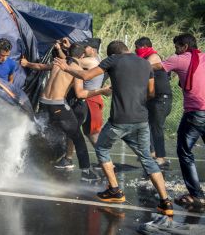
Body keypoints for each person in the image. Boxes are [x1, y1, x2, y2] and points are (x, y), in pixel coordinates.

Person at [54, 40, 173, 216]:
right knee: (147, 158)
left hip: (120, 120)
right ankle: (165, 202)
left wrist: (66, 67)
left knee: (102, 148)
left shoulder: (113, 60)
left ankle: (115, 190)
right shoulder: (145, 63)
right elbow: (151, 93)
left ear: (112, 54)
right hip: (141, 119)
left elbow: (86, 76)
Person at [22, 43, 110, 181]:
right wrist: (102, 90)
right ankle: (86, 173)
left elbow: (40, 67)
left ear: (68, 52)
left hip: (43, 103)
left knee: (42, 132)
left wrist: (26, 63)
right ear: (81, 56)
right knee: (78, 137)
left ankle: (23, 162)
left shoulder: (58, 62)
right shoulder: (76, 69)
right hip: (57, 106)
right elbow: (80, 94)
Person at [152, 33, 205, 209]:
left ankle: (197, 195)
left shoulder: (180, 58)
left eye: (176, 47)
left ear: (183, 47)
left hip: (195, 113)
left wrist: (130, 64)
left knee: (184, 152)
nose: (175, 50)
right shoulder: (203, 57)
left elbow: (155, 66)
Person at [135, 37, 172, 168]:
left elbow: (143, 70)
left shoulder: (154, 56)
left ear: (145, 46)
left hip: (161, 98)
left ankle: (161, 158)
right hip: (151, 98)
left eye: (138, 48)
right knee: (145, 126)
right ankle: (151, 153)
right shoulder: (144, 58)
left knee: (156, 128)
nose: (136, 50)